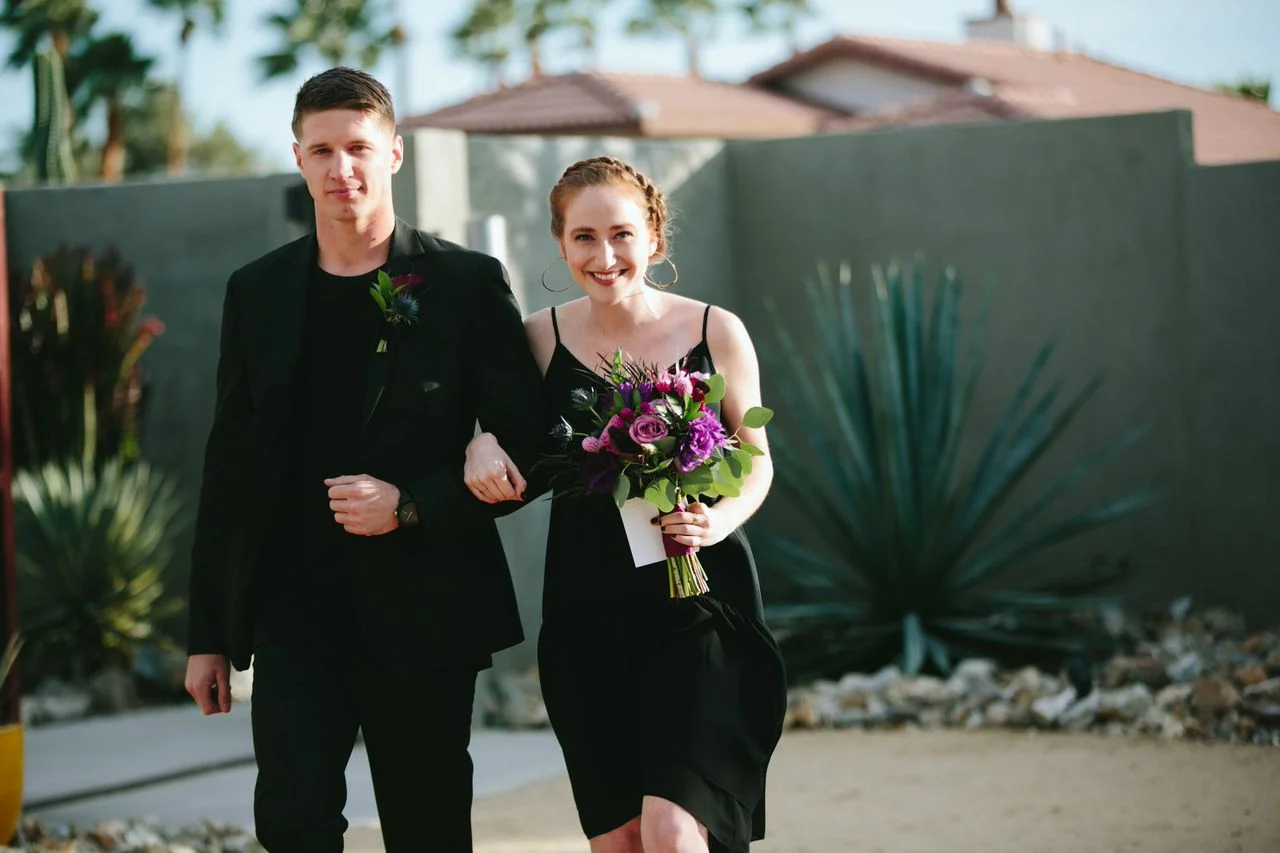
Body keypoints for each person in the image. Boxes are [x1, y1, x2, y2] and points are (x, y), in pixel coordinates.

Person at [182, 67, 542, 853]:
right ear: (298, 158)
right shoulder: (256, 291)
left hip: (427, 606)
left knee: (427, 829)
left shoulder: (464, 283)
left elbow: (533, 449)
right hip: (293, 611)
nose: (340, 168)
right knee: (292, 824)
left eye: (358, 147)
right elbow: (231, 467)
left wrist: (411, 503)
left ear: (394, 154)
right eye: (321, 150)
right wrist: (208, 631)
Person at [465, 156, 787, 853]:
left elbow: (757, 460)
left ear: (655, 238)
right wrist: (480, 443)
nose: (604, 256)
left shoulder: (717, 330)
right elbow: (504, 436)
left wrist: (716, 520)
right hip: (585, 609)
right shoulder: (536, 340)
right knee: (620, 841)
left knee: (673, 830)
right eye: (583, 237)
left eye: (621, 234)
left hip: (699, 602)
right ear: (560, 243)